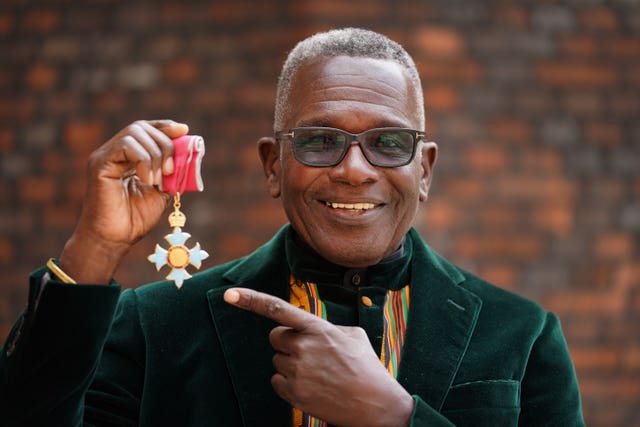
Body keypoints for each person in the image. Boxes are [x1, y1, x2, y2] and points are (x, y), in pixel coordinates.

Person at [0, 28, 584, 426]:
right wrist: (97, 245)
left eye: (388, 143)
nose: (355, 171)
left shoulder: (523, 336)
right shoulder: (156, 328)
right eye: (320, 141)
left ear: (423, 169)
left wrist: (394, 417)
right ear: (273, 166)